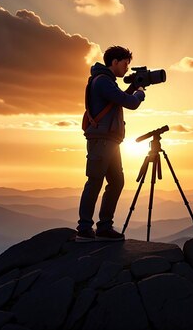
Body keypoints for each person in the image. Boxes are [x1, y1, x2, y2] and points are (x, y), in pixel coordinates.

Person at [76, 46, 146, 242]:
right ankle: (84, 228)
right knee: (95, 180)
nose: (126, 68)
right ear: (114, 62)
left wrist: (133, 88)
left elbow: (117, 99)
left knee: (116, 182)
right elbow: (129, 103)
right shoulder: (103, 81)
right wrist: (139, 92)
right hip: (102, 140)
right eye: (125, 64)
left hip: (110, 140)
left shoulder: (106, 82)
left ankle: (104, 227)